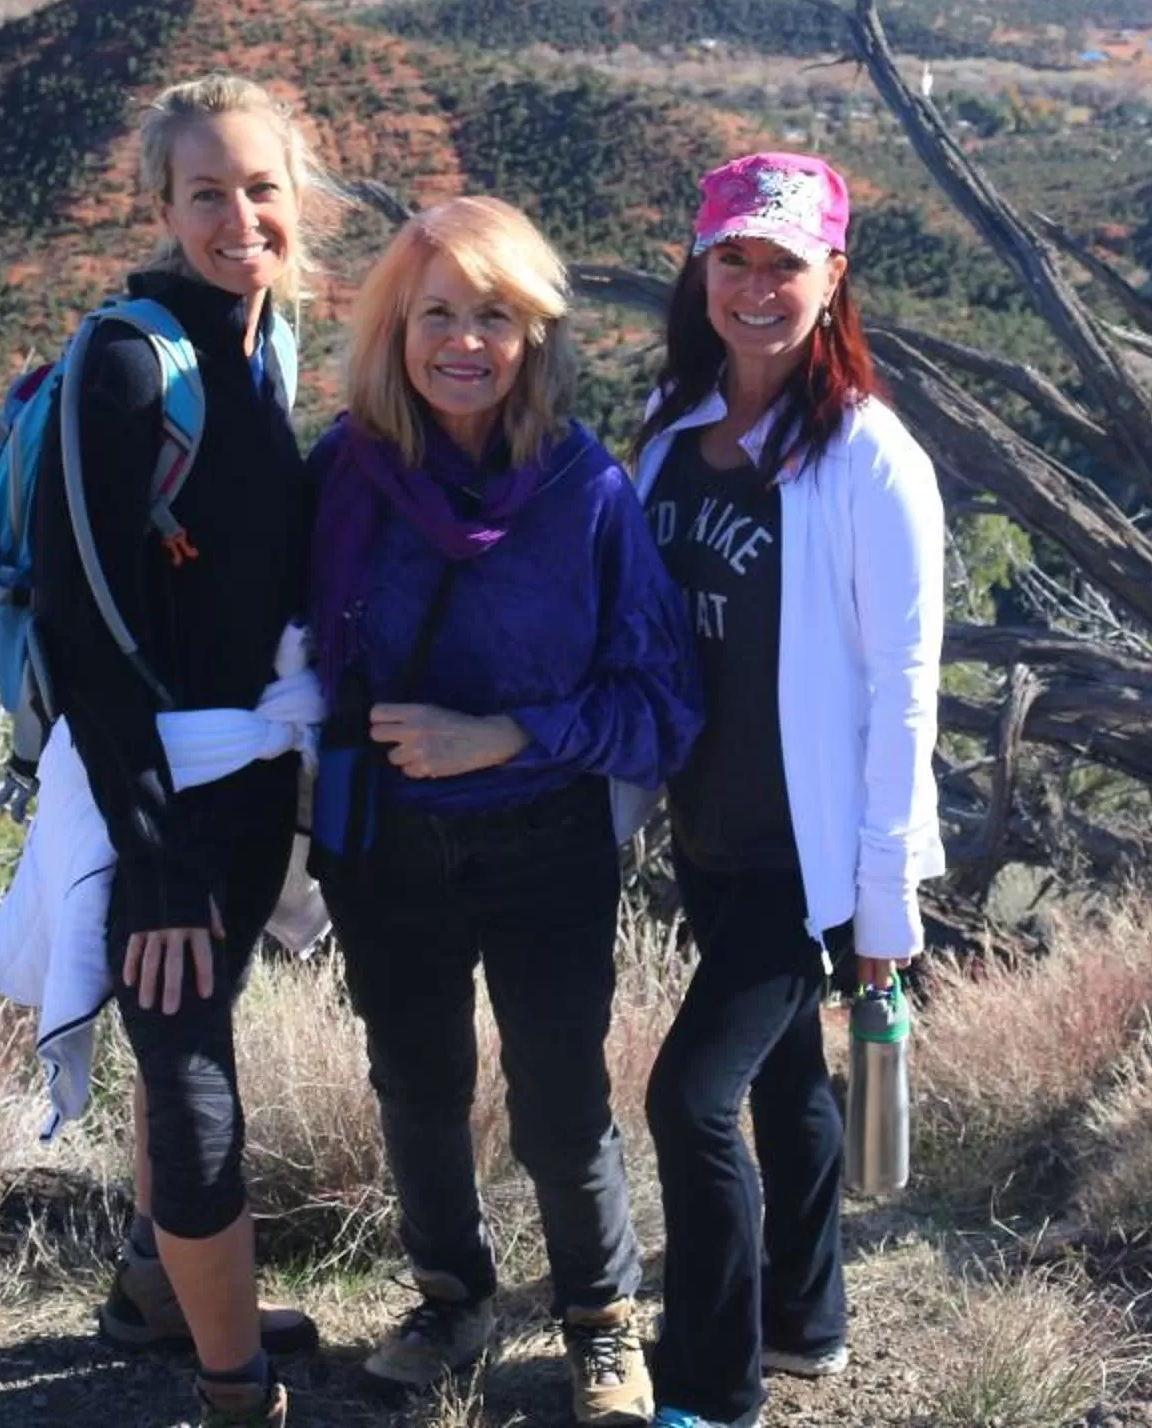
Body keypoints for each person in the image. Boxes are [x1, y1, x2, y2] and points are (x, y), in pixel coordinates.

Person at [307, 196, 702, 1427]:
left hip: (542, 836)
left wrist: (510, 732)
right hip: (385, 840)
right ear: (395, 327)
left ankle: (600, 1317)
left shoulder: (587, 490)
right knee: (415, 1079)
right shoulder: (342, 474)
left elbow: (662, 702)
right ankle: (451, 1298)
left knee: (561, 1095)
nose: (464, 341)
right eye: (437, 313)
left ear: (537, 332)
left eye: (495, 314)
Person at [31, 73, 332, 1428]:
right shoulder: (123, 362)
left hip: (253, 773)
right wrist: (151, 853)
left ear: (296, 195)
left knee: (190, 1050)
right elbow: (85, 627)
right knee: (194, 1073)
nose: (239, 217)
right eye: (207, 192)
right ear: (161, 203)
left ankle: (159, 1285)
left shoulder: (267, 344)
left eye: (261, 187)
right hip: (157, 792)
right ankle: (233, 1389)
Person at [627, 152, 946, 1428]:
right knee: (781, 1077)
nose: (757, 287)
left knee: (688, 1099)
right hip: (706, 829)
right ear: (702, 265)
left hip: (804, 858)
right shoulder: (671, 431)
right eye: (735, 259)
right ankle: (806, 1318)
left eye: (785, 263)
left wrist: (885, 903)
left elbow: (906, 687)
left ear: (834, 276)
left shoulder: (869, 457)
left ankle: (712, 1382)